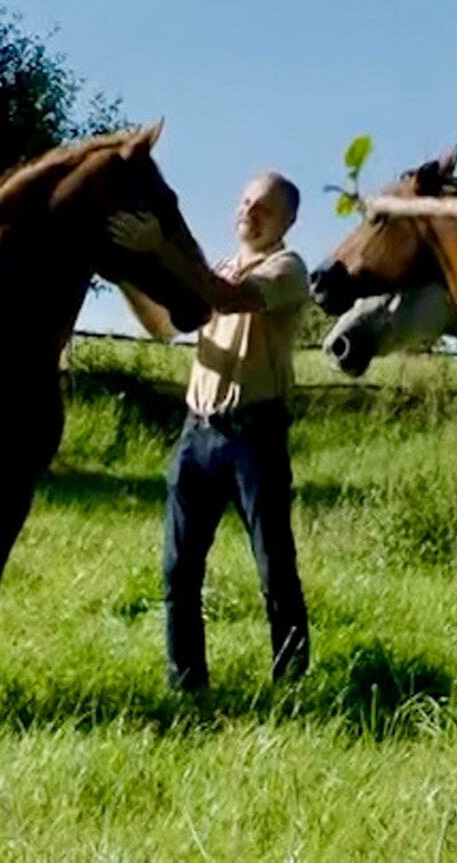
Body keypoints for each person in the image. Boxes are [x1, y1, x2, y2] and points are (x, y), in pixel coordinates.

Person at [109, 171, 311, 692]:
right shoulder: (216, 269)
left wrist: (161, 247)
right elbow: (163, 322)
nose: (249, 211)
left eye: (263, 207)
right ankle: (187, 687)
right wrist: (125, 272)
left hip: (254, 436)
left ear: (287, 220)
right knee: (178, 571)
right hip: (196, 434)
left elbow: (228, 297)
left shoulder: (288, 269)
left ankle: (291, 684)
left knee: (274, 569)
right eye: (245, 201)